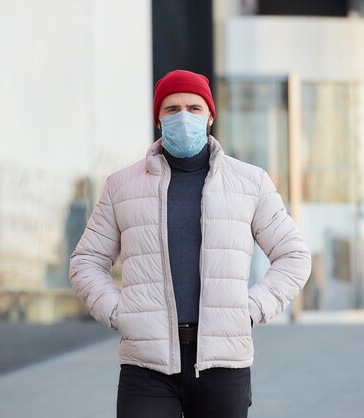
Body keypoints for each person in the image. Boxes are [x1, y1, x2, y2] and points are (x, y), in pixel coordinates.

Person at [69, 69, 311, 418]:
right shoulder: (122, 186)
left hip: (223, 363)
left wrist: (250, 310)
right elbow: (86, 261)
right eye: (172, 109)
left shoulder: (250, 182)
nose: (183, 116)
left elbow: (294, 257)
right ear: (158, 119)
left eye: (194, 108)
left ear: (210, 116)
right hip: (147, 366)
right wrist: (120, 313)